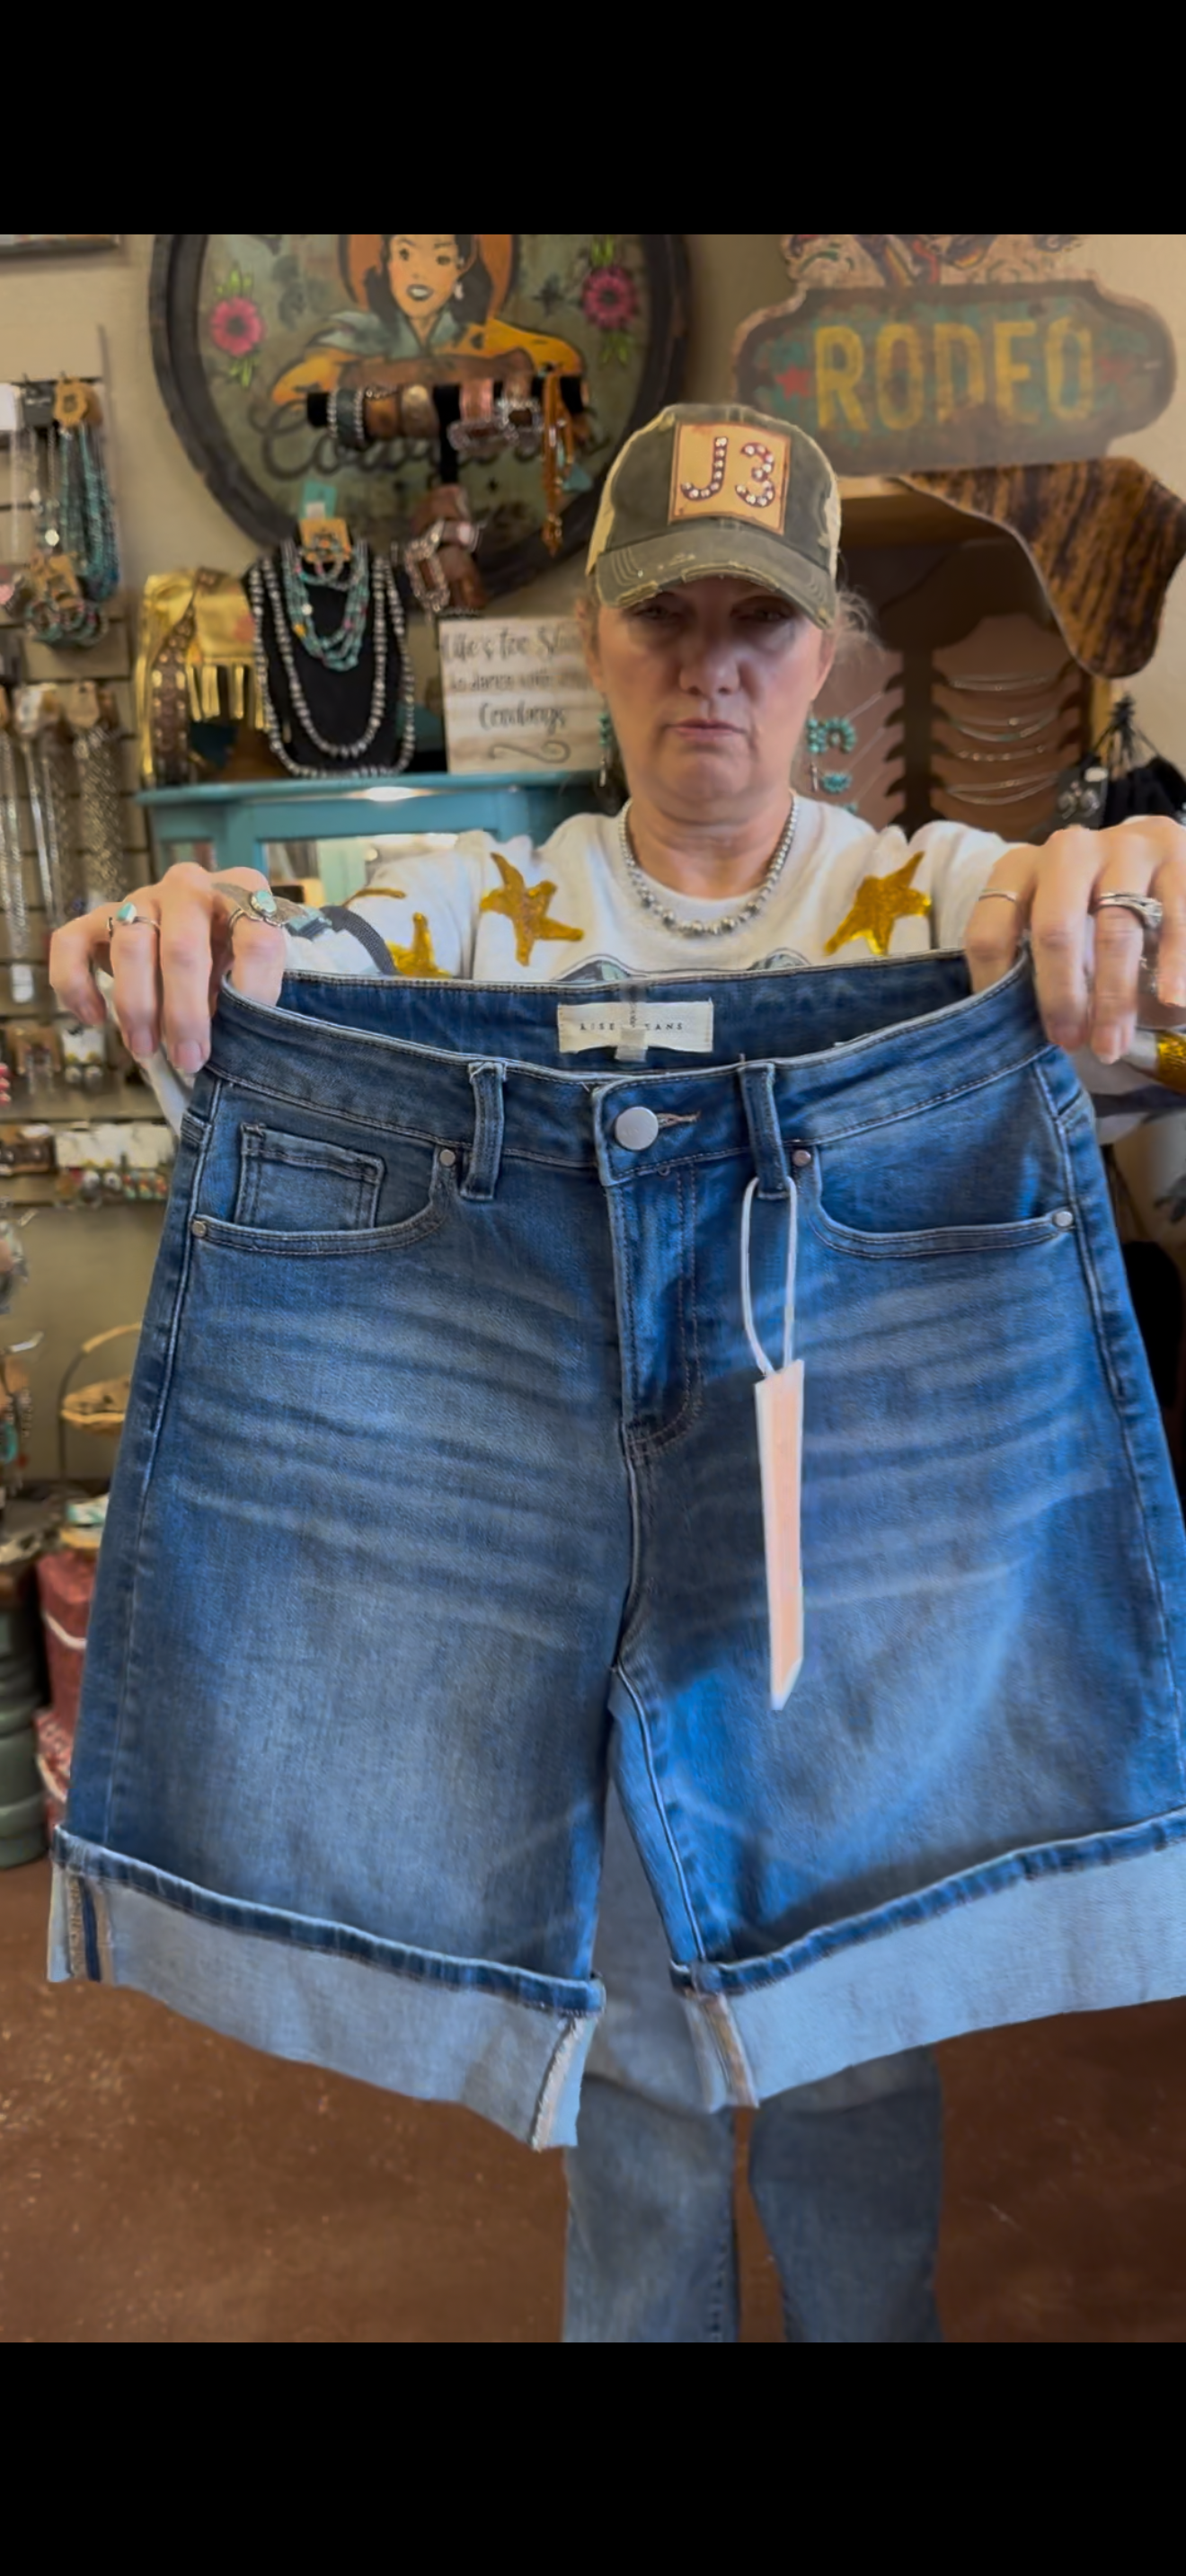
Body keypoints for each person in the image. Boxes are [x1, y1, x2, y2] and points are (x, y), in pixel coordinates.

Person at [50, 403, 1186, 2343]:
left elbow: (1133, 1063)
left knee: (851, 2005)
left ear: (827, 652)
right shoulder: (473, 911)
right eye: (667, 616)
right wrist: (193, 941)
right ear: (596, 636)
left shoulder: (952, 898)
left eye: (762, 622)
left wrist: (1137, 901)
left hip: (850, 1521)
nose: (711, 668)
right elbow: (298, 974)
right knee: (642, 2021)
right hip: (549, 1448)